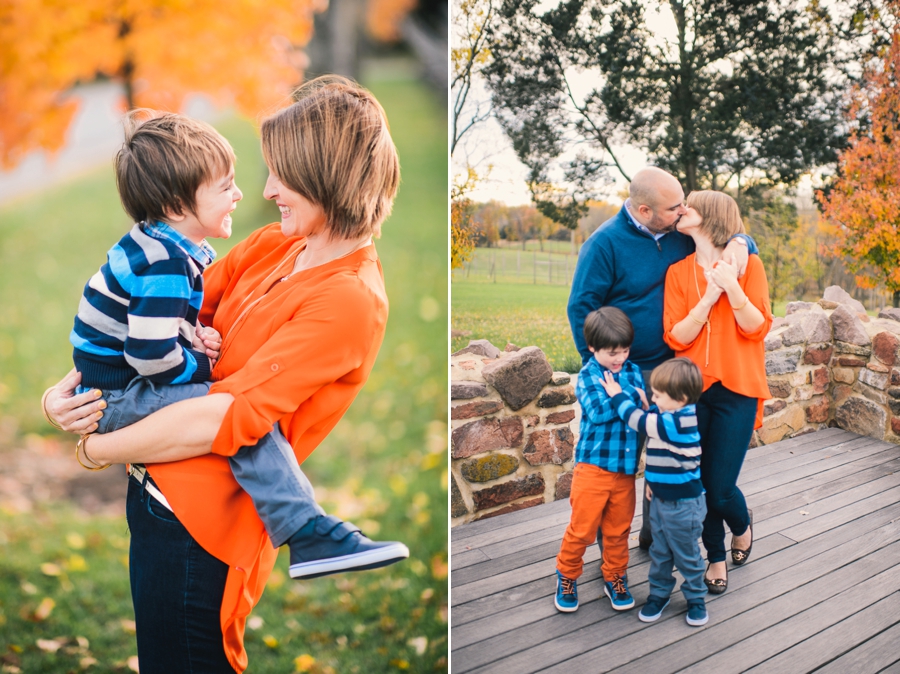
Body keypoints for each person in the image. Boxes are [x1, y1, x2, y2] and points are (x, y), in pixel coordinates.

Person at [43, 76, 405, 673]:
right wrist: (69, 391)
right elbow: (148, 324)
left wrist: (96, 447)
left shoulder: (348, 300)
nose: (266, 190)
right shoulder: (274, 245)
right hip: (155, 498)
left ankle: (307, 531)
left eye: (281, 174)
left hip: (204, 530)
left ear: (328, 176)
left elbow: (226, 418)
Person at [567, 166, 757, 550]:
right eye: (674, 207)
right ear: (643, 210)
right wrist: (604, 367)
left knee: (665, 459)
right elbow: (581, 308)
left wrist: (742, 241)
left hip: (673, 368)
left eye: (684, 204)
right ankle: (611, 552)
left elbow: (723, 235)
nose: (683, 211)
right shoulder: (604, 245)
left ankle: (656, 540)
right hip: (625, 370)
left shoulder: (678, 235)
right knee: (618, 463)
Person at [663, 190, 772, 595]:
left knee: (720, 485)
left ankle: (741, 527)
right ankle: (715, 556)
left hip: (738, 390)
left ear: (710, 217)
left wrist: (732, 287)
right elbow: (677, 336)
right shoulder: (678, 273)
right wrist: (710, 296)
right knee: (699, 482)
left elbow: (757, 327)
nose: (682, 209)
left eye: (689, 205)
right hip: (692, 391)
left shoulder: (749, 265)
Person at [599, 357, 709, 627]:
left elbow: (637, 420)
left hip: (684, 506)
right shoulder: (671, 414)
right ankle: (659, 595)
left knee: (687, 555)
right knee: (660, 553)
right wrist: (652, 484)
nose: (654, 399)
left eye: (659, 395)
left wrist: (617, 396)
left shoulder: (682, 423)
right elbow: (661, 451)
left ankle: (696, 598)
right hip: (661, 500)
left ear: (681, 397)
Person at [554, 306, 647, 614]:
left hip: (624, 471)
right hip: (593, 469)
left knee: (618, 530)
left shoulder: (631, 371)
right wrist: (629, 398)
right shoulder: (588, 377)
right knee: (581, 529)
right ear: (593, 347)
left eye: (624, 350)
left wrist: (621, 394)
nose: (619, 358)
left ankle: (615, 577)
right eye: (611, 353)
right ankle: (567, 575)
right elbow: (600, 413)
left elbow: (642, 413)